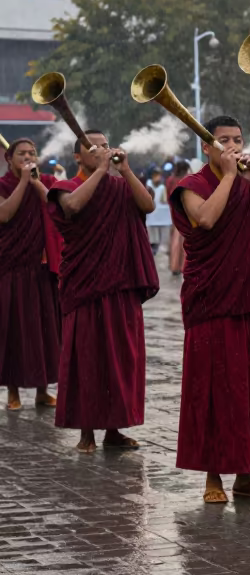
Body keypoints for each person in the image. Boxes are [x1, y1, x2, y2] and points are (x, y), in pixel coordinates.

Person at [170, 116, 250, 504]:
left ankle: (244, 475)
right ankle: (212, 477)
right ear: (206, 147)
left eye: (237, 140)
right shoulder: (192, 186)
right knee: (213, 391)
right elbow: (204, 219)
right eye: (223, 141)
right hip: (214, 304)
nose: (233, 147)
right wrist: (227, 177)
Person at [48, 131, 158, 453]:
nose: (101, 150)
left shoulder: (121, 185)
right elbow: (72, 207)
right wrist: (99, 171)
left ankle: (113, 429)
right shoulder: (65, 187)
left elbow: (148, 205)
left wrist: (123, 170)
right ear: (78, 158)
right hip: (86, 287)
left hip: (120, 285)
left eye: (104, 145)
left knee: (120, 360)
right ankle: (87, 433)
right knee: (87, 358)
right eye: (92, 147)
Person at [0, 139, 62, 411]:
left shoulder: (45, 180)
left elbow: (57, 207)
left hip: (41, 266)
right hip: (11, 267)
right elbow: (4, 215)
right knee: (12, 330)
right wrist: (24, 181)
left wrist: (35, 182)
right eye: (21, 154)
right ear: (8, 159)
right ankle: (12, 392)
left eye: (32, 153)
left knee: (44, 331)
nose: (28, 157)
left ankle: (42, 390)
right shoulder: (3, 185)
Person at [165, 160, 191, 276]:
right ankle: (183, 266)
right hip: (187, 212)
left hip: (175, 211)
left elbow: (168, 196)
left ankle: (174, 266)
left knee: (175, 239)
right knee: (186, 239)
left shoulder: (170, 179)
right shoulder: (189, 178)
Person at [146, 169, 172, 257]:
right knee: (152, 230)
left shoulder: (161, 187)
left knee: (158, 230)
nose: (158, 178)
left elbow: (164, 199)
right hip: (151, 211)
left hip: (156, 212)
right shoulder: (149, 185)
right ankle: (154, 245)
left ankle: (157, 245)